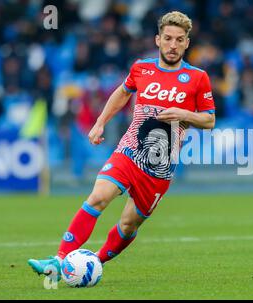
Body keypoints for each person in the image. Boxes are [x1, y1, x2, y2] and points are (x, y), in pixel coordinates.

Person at [28, 11, 216, 280]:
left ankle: (95, 262)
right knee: (98, 197)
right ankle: (58, 262)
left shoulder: (198, 77)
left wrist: (184, 114)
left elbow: (209, 120)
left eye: (179, 39)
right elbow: (123, 92)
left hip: (159, 168)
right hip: (128, 152)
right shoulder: (142, 68)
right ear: (158, 40)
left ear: (187, 43)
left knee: (128, 225)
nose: (173, 45)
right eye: (168, 38)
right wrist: (100, 122)